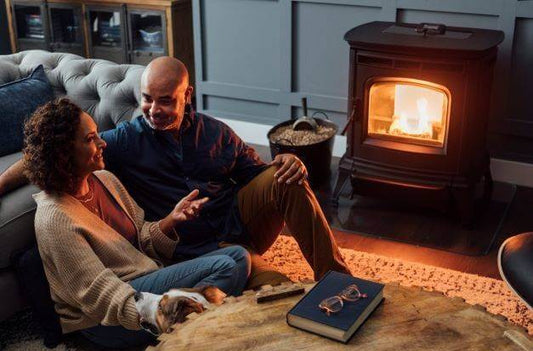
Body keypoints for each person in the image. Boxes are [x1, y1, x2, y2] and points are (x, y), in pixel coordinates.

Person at [0, 56, 350, 287]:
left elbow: (256, 174)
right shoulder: (123, 141)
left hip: (240, 224)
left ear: (187, 96)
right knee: (280, 292)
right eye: (147, 98)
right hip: (195, 252)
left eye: (165, 100)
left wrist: (288, 162)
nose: (153, 109)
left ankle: (339, 280)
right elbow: (45, 154)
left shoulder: (215, 131)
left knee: (285, 177)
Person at [23, 98, 251, 349]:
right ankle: (189, 333)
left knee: (239, 256)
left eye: (98, 134)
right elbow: (98, 293)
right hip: (105, 318)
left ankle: (192, 328)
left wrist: (170, 220)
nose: (102, 143)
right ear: (62, 152)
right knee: (225, 267)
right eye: (90, 139)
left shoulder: (104, 179)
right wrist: (159, 311)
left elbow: (140, 237)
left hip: (146, 279)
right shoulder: (55, 217)